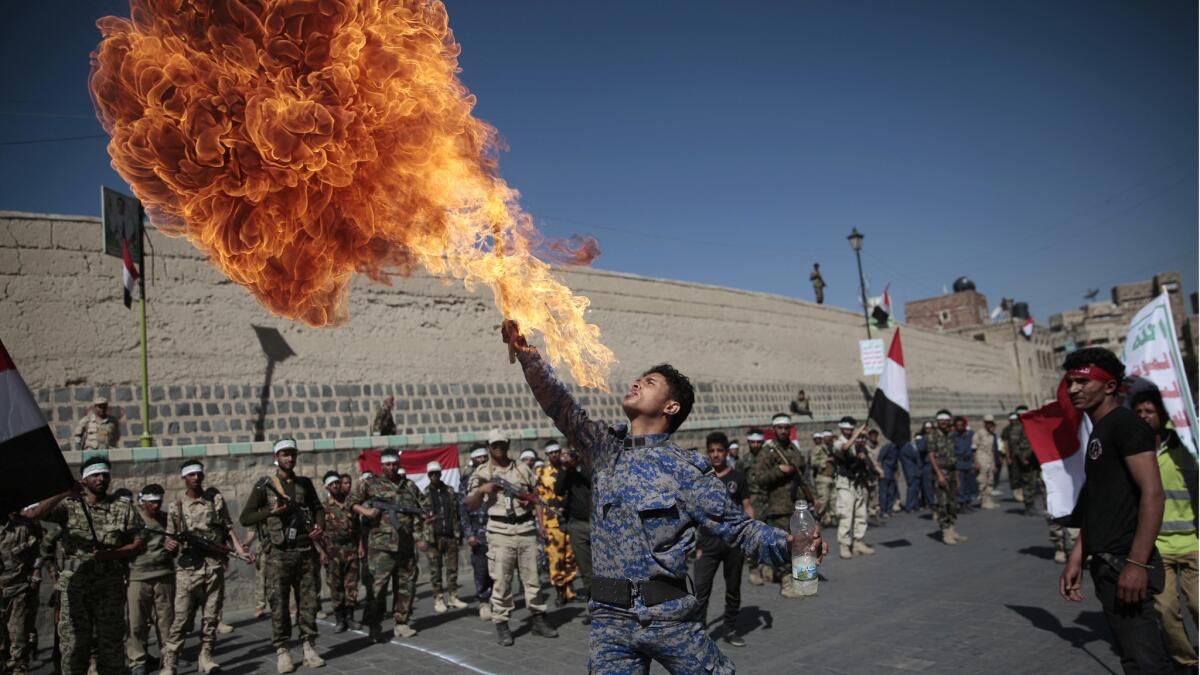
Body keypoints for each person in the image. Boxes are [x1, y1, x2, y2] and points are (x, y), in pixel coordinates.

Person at [502, 320, 826, 674]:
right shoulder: (605, 447)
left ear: (671, 407)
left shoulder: (685, 469)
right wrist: (525, 354)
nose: (637, 382)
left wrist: (790, 544)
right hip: (609, 624)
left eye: (650, 382)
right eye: (640, 378)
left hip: (668, 620)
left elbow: (738, 528)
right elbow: (559, 405)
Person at [1058, 348, 1172, 673]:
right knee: (1133, 659)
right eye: (1070, 382)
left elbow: (1153, 494)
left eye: (1083, 381)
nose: (1073, 389)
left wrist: (1136, 563)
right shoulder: (1100, 430)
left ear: (1109, 387)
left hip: (1126, 563)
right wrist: (1077, 556)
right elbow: (1099, 501)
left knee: (1147, 662)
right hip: (1107, 564)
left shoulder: (1126, 425)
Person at [30, 455, 145, 675]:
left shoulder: (122, 508)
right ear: (84, 479)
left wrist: (113, 554)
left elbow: (138, 542)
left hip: (109, 588)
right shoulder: (68, 506)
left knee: (110, 648)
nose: (101, 479)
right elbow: (34, 514)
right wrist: (65, 492)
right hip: (75, 588)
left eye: (105, 475)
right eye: (95, 475)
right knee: (73, 648)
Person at [239, 439, 326, 673]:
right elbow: (245, 518)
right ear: (276, 457)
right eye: (285, 454)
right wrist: (271, 511)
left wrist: (319, 526)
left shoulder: (304, 484)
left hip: (305, 552)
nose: (289, 458)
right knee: (278, 605)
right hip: (278, 554)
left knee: (308, 603)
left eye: (292, 454)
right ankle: (283, 650)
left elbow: (318, 508)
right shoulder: (265, 485)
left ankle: (309, 646)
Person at [465, 429, 558, 646]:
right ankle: (502, 624)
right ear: (489, 447)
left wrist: (541, 524)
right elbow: (469, 504)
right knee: (502, 581)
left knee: (533, 579)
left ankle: (538, 619)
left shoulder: (523, 470)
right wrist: (482, 491)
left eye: (502, 444)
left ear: (508, 445)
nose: (499, 448)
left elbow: (537, 497)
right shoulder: (480, 473)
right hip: (499, 531)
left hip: (525, 528)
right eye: (495, 445)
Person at [160, 462, 249, 675]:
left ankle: (207, 656)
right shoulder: (176, 507)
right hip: (188, 570)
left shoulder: (215, 500)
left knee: (211, 617)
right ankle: (170, 662)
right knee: (181, 619)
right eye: (191, 475)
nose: (197, 478)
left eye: (199, 474)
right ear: (184, 478)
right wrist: (170, 545)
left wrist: (239, 550)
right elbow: (170, 539)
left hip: (213, 565)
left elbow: (228, 528)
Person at [1132, 388, 1198, 670]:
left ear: (1163, 414)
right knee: (1167, 610)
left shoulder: (1186, 441)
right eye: (1139, 412)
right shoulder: (1134, 450)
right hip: (1158, 548)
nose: (1144, 417)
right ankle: (1188, 662)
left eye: (1149, 411)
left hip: (1194, 542)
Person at [348, 449, 429, 641]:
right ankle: (375, 626)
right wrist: (366, 512)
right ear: (381, 465)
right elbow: (351, 502)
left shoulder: (409, 485)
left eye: (394, 464)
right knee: (378, 589)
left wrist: (421, 528)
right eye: (387, 464)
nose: (391, 468)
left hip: (405, 545)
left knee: (406, 586)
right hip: (381, 547)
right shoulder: (371, 483)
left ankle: (401, 622)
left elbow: (422, 506)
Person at [693, 432, 753, 648]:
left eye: (719, 450)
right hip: (707, 543)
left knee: (733, 589)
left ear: (727, 452)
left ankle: (730, 629)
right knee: (700, 589)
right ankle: (698, 632)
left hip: (733, 543)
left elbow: (747, 506)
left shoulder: (737, 478)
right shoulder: (701, 479)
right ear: (707, 452)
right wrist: (694, 544)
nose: (716, 455)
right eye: (712, 451)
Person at [752, 413, 815, 597]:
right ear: (774, 429)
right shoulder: (768, 451)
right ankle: (786, 584)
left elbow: (804, 478)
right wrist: (778, 471)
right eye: (779, 428)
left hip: (797, 506)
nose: (783, 431)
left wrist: (813, 499)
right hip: (778, 508)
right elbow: (759, 479)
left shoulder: (795, 452)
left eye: (786, 428)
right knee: (784, 546)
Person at [124, 485, 174, 675]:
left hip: (164, 574)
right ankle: (137, 661)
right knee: (136, 622)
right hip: (138, 576)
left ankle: (168, 659)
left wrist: (173, 547)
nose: (155, 505)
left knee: (166, 620)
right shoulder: (133, 519)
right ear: (142, 501)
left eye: (158, 502)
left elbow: (177, 544)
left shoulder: (167, 518)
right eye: (151, 502)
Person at [1, 505, 44, 675]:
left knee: (18, 637)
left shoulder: (22, 528)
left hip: (18, 589)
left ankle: (19, 668)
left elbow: (36, 555)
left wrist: (35, 575)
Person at [534, 441, 578, 607]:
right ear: (546, 455)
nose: (554, 455)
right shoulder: (541, 472)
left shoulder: (568, 468)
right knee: (555, 556)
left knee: (570, 555)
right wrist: (541, 524)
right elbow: (538, 499)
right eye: (550, 452)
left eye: (556, 452)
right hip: (551, 519)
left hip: (570, 516)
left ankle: (570, 589)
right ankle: (560, 591)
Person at [421, 461, 468, 614]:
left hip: (450, 535)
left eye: (436, 473)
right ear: (428, 476)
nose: (434, 476)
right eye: (431, 474)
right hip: (433, 538)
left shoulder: (450, 491)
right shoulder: (424, 494)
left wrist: (459, 532)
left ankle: (453, 596)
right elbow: (421, 517)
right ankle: (438, 598)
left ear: (441, 474)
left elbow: (458, 513)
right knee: (435, 570)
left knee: (452, 569)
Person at [555, 446, 594, 624]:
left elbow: (592, 480)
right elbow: (558, 490)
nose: (568, 457)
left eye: (570, 453)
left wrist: (578, 465)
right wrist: (565, 468)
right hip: (577, 525)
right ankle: (594, 608)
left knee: (605, 568)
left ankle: (613, 607)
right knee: (586, 571)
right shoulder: (567, 472)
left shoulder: (589, 463)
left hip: (597, 523)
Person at [321, 470, 361, 633]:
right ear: (327, 487)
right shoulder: (324, 507)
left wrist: (360, 546)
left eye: (337, 483)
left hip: (350, 548)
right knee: (335, 586)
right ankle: (340, 619)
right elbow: (319, 532)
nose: (336, 486)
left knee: (351, 584)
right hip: (333, 551)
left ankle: (350, 617)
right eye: (332, 484)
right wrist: (322, 552)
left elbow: (357, 528)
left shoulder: (350, 504)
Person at [458, 445, 494, 620]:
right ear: (472, 459)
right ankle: (484, 601)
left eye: (484, 457)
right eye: (478, 457)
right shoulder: (466, 481)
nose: (482, 460)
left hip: (496, 528)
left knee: (498, 567)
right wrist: (469, 534)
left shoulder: (494, 476)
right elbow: (463, 509)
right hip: (478, 531)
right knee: (481, 569)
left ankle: (497, 598)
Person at [832, 419, 875, 559]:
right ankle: (844, 545)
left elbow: (867, 456)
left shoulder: (858, 442)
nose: (849, 432)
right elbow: (845, 448)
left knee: (861, 514)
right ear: (841, 429)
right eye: (846, 429)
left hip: (857, 482)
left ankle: (858, 542)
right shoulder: (837, 442)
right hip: (845, 483)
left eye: (851, 429)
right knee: (846, 514)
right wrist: (857, 433)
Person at [928, 410, 968, 545]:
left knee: (952, 503)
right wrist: (939, 474)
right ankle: (945, 532)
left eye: (946, 419)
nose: (943, 421)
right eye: (941, 419)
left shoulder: (950, 435)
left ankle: (952, 530)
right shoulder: (933, 435)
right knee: (943, 503)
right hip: (941, 473)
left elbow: (953, 457)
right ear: (937, 421)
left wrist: (956, 476)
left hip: (951, 472)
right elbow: (932, 456)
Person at [741, 429, 769, 586]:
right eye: (753, 442)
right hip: (752, 503)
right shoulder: (744, 461)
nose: (756, 445)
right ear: (749, 442)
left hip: (769, 502)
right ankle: (753, 569)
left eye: (759, 442)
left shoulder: (769, 459)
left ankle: (766, 567)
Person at [1009, 406, 1039, 516]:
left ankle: (1032, 504)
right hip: (1024, 459)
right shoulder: (1017, 427)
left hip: (1033, 457)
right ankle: (1028, 505)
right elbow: (1014, 446)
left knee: (1033, 481)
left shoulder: (1030, 424)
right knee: (1027, 482)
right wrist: (1022, 459)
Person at [972, 415, 1000, 510]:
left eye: (991, 422)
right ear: (984, 423)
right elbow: (974, 449)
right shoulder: (979, 433)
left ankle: (989, 500)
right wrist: (976, 462)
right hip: (981, 459)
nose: (989, 424)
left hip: (990, 460)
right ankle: (984, 501)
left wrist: (994, 463)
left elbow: (992, 450)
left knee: (990, 481)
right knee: (982, 481)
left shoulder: (992, 435)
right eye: (987, 422)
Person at [952, 416, 976, 510]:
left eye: (961, 425)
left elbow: (974, 449)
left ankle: (968, 502)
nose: (959, 427)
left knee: (969, 483)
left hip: (969, 462)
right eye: (957, 425)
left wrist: (974, 462)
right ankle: (961, 504)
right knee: (960, 485)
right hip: (959, 463)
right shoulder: (953, 436)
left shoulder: (970, 434)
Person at [814, 431, 838, 527]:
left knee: (833, 500)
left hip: (832, 477)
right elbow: (813, 462)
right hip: (823, 477)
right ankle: (818, 518)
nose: (829, 439)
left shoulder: (833, 448)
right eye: (827, 437)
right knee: (824, 500)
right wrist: (825, 461)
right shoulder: (818, 449)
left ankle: (832, 519)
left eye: (830, 437)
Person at [877, 433, 899, 516]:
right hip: (885, 471)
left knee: (891, 492)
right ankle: (883, 511)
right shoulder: (888, 446)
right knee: (884, 492)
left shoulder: (896, 448)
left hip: (891, 472)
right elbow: (880, 459)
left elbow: (895, 462)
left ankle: (889, 510)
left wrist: (896, 472)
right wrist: (881, 472)